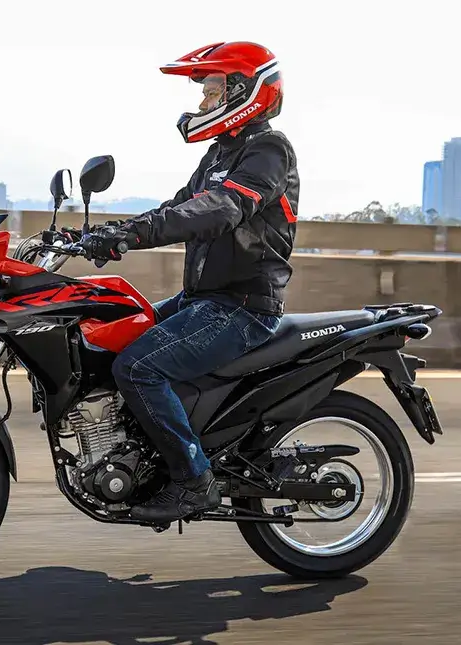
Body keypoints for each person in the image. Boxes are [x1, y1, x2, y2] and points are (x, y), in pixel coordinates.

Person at [80, 41, 300, 523]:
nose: (202, 101)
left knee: (138, 368)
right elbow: (178, 206)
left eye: (212, 90)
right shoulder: (220, 153)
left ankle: (193, 482)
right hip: (203, 299)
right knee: (108, 337)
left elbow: (220, 208)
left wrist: (138, 233)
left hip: (242, 307)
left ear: (244, 91)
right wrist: (112, 233)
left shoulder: (268, 150)